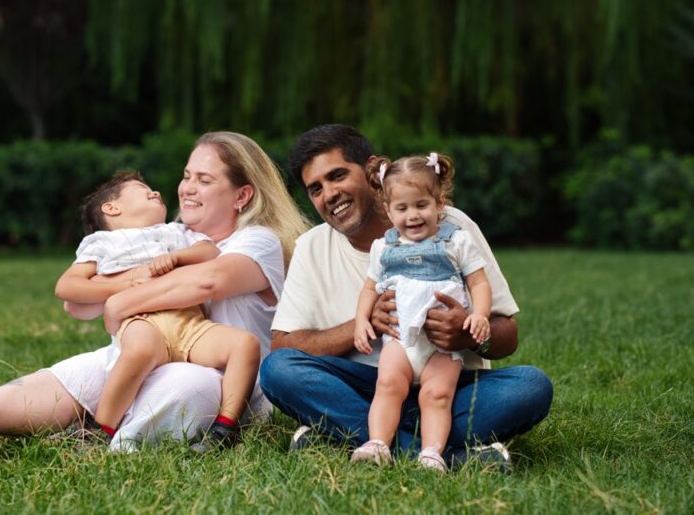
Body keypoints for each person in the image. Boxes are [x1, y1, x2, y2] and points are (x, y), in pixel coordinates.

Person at [0, 132, 310, 451]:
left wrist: (122, 301)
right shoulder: (174, 236)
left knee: (190, 382)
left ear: (242, 196)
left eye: (204, 180)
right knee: (90, 366)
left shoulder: (257, 240)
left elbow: (206, 281)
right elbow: (80, 304)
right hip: (156, 350)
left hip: (227, 383)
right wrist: (124, 284)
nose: (187, 188)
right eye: (187, 175)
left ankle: (103, 438)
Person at [260, 124, 553, 468]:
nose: (329, 194)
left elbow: (508, 335)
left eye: (337, 176)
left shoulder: (451, 228)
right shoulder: (312, 248)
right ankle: (442, 455)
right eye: (315, 189)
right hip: (367, 389)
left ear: (372, 173)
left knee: (530, 387)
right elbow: (283, 346)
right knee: (278, 370)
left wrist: (466, 334)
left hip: (450, 384)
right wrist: (362, 323)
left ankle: (350, 435)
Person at [64, 170, 261, 452]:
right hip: (143, 322)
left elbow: (210, 253)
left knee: (245, 344)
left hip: (190, 324)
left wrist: (177, 256)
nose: (155, 191)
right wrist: (128, 281)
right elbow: (67, 287)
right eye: (143, 189)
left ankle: (225, 430)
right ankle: (98, 430)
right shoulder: (101, 244)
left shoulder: (175, 231)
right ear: (112, 207)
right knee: (139, 352)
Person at [351, 153, 492, 471]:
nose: (412, 215)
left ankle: (431, 453)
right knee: (386, 385)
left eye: (421, 205)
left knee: (438, 395)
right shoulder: (384, 248)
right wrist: (361, 320)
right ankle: (378, 444)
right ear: (388, 210)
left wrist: (480, 315)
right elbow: (369, 288)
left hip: (442, 347)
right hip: (401, 341)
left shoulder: (456, 241)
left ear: (439, 203)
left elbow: (479, 283)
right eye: (401, 208)